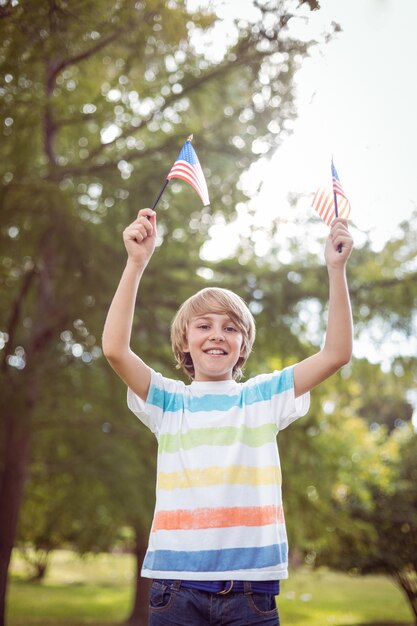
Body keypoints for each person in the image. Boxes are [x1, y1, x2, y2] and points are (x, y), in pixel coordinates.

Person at [102, 207, 353, 626]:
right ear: (185, 342)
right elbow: (114, 349)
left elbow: (336, 354)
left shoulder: (263, 397)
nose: (217, 333)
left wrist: (336, 269)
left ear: (243, 345)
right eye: (204, 326)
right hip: (175, 588)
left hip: (251, 591)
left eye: (231, 327)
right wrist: (135, 264)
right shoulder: (169, 402)